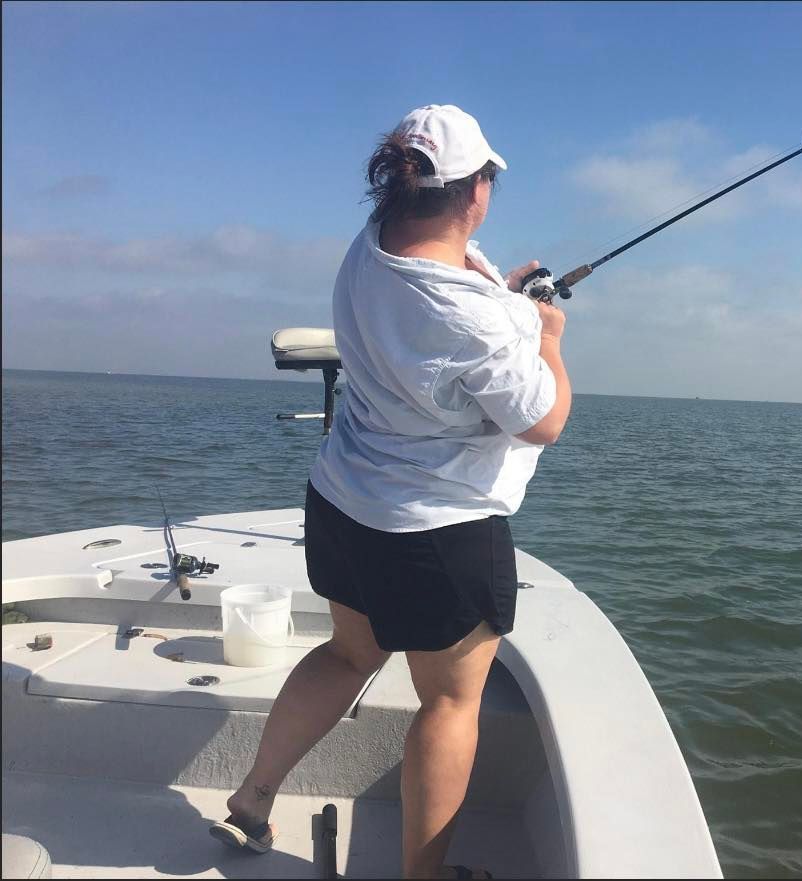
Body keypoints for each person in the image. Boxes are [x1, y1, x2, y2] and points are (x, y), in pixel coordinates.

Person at [209, 104, 571, 879]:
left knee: (349, 654)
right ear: (474, 190)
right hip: (437, 532)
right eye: (488, 179)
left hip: (344, 504)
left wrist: (508, 295)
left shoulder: (369, 248)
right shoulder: (472, 319)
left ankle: (253, 795)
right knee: (448, 704)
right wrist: (546, 337)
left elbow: (436, 294)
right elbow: (542, 421)